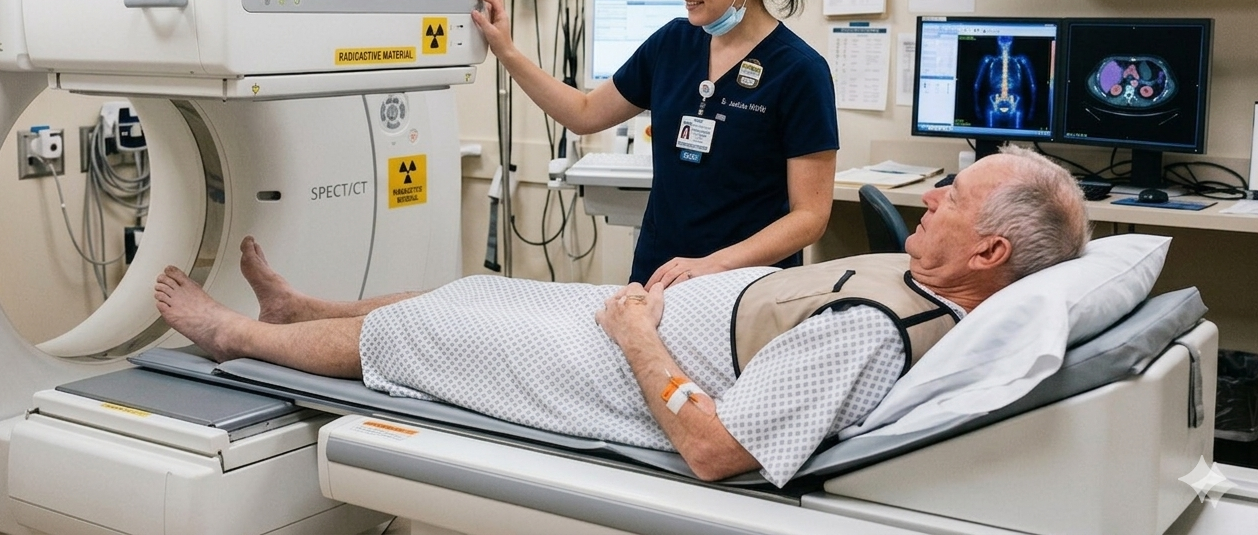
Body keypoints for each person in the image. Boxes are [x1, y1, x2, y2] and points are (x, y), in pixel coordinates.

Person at [154, 147, 1089, 486]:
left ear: (990, 255)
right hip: (658, 322)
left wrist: (638, 332)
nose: (930, 198)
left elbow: (720, 452)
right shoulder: (929, 279)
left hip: (628, 364)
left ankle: (237, 336)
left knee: (420, 333)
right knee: (475, 290)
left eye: (953, 199)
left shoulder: (876, 333)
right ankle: (297, 309)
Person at [470, 0, 838, 288]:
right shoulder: (673, 43)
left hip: (742, 289)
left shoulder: (800, 71)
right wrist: (506, 51)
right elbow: (584, 113)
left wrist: (714, 264)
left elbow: (809, 217)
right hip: (657, 276)